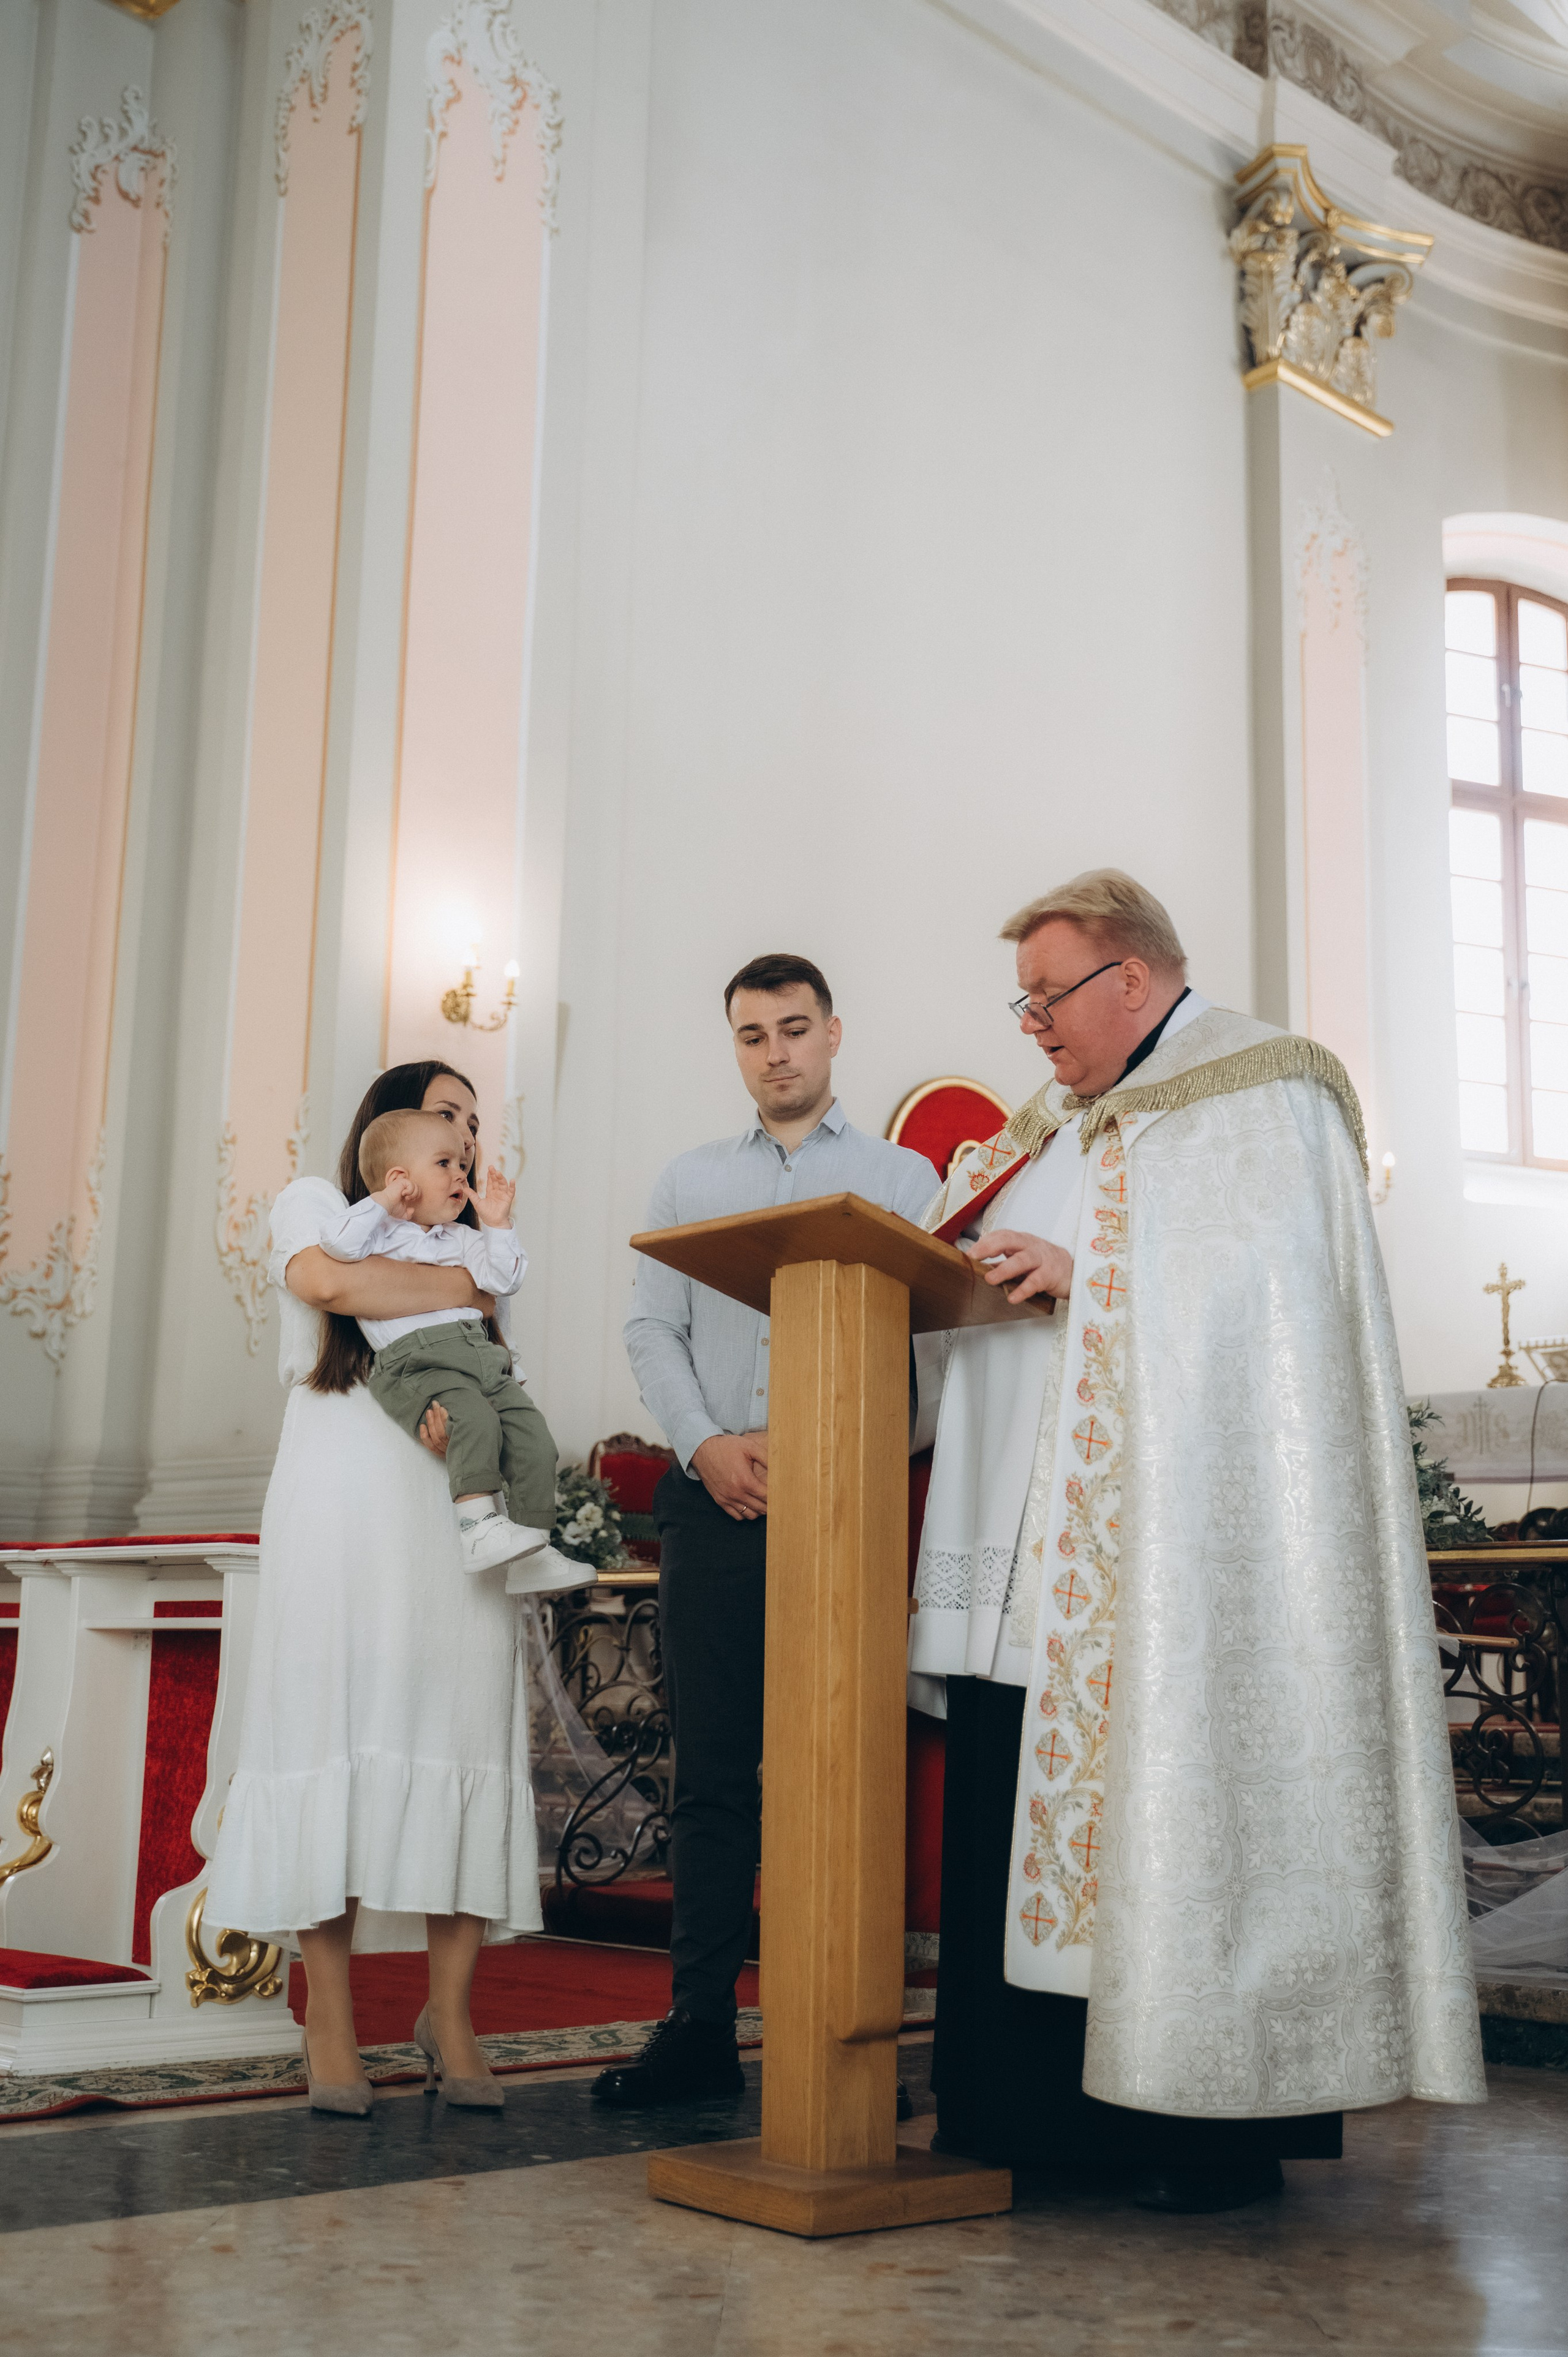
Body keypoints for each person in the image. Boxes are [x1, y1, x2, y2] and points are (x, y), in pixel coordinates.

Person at [910, 870, 1485, 2211]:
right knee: (1012, 1813)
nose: (1030, 1028)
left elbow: (1266, 1300)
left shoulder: (1260, 1089)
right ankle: (1028, 2116)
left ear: (1127, 975)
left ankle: (1195, 2132)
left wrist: (1088, 1273)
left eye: (1044, 996)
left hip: (1174, 1576)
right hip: (1030, 1553)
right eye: (1024, 1000)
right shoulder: (1056, 1123)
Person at [594, 952, 938, 2106]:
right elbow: (654, 1334)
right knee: (714, 1773)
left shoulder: (905, 1176)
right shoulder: (688, 1181)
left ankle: (842, 2036)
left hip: (848, 1502)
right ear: (735, 1046)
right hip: (719, 1494)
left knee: (840, 1767)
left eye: (795, 1028)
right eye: (753, 1035)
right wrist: (705, 1444)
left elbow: (931, 1354)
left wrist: (850, 1456)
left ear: (836, 1033)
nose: (776, 1052)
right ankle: (697, 2023)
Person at [204, 1061, 546, 2116]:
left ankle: (449, 2011)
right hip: (342, 1501)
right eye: (446, 1117)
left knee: (459, 1728)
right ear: (389, 1129)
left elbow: (482, 1356)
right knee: (335, 1731)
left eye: (474, 1127)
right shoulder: (319, 1200)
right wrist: (463, 1283)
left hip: (447, 1504)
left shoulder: (466, 1231)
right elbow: (329, 1284)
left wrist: (466, 1281)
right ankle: (331, 2014)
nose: (463, 1140)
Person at [318, 1106, 573, 1587]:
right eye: (445, 1164)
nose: (461, 1173)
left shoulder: (462, 1239)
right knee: (474, 1423)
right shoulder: (377, 1235)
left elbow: (502, 1281)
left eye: (463, 1163)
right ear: (401, 1178)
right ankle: (478, 1530)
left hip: (481, 1359)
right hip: (418, 1362)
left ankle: (533, 1548)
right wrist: (384, 1201)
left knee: (536, 1439)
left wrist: (497, 1225)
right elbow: (337, 1246)